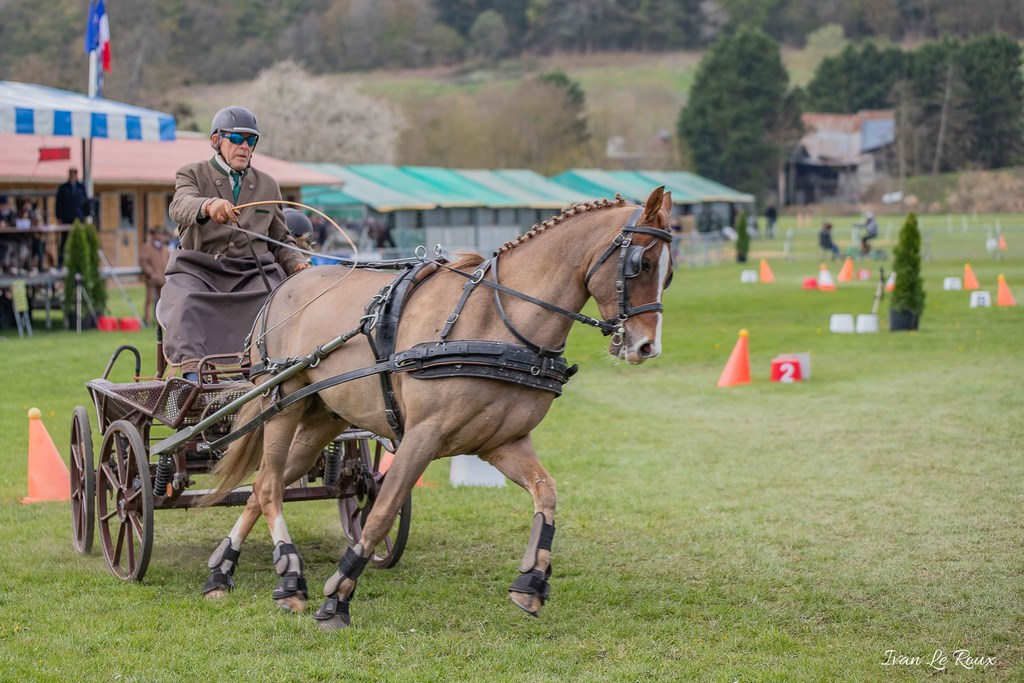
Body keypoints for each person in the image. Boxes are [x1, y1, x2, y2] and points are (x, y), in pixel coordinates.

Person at [158, 106, 310, 379]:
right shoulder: (192, 173)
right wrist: (208, 205)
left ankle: (266, 372)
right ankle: (193, 377)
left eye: (250, 141)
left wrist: (298, 264)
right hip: (198, 269)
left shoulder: (268, 184)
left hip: (251, 272)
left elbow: (280, 239)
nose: (244, 147)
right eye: (236, 139)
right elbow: (179, 205)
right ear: (216, 140)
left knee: (277, 300)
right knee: (184, 302)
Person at [55, 168, 89, 268]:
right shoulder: (63, 188)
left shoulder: (81, 187)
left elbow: (85, 203)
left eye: (74, 174)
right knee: (64, 241)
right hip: (66, 218)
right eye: (71, 174)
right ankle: (61, 262)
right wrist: (59, 216)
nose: (72, 176)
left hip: (78, 218)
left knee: (79, 240)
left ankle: (80, 262)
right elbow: (58, 204)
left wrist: (86, 216)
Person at [138, 227, 170, 325]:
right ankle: (147, 320)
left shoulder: (165, 249)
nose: (161, 237)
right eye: (158, 234)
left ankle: (159, 321)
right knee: (150, 299)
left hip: (162, 279)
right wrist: (151, 273)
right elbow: (143, 261)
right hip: (152, 279)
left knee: (162, 301)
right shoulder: (147, 247)